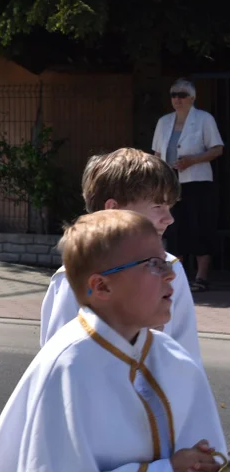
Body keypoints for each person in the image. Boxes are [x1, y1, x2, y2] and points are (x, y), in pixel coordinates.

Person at [0, 210, 226, 472]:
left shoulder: (174, 361)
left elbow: (206, 467)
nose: (172, 274)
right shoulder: (68, 365)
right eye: (154, 265)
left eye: (168, 261)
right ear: (101, 287)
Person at [41, 148, 200, 363]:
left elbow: (187, 350)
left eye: (170, 207)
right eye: (157, 206)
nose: (168, 218)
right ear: (114, 209)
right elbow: (57, 357)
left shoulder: (171, 268)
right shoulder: (73, 276)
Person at [152, 79, 224, 292]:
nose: (177, 99)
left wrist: (193, 160)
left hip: (198, 181)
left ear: (192, 98)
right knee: (174, 228)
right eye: (174, 95)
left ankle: (201, 277)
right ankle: (177, 276)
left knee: (200, 226)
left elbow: (217, 148)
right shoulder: (164, 121)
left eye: (182, 95)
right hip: (171, 183)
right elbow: (156, 154)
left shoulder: (204, 119)